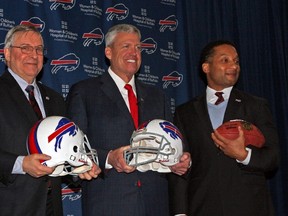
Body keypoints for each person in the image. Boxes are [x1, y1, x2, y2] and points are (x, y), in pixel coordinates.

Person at [66, 23, 191, 216]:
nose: (134, 52)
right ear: (108, 52)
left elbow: (173, 145)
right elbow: (73, 149)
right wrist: (108, 158)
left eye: (138, 48)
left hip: (155, 203)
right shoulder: (84, 92)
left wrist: (179, 161)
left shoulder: (158, 97)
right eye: (126, 46)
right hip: (109, 204)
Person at [168, 40, 280, 216]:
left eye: (236, 61)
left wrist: (243, 155)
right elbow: (178, 165)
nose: (233, 66)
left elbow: (273, 157)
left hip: (248, 206)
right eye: (225, 60)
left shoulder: (255, 106)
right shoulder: (185, 112)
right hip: (202, 206)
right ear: (206, 67)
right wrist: (180, 212)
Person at [0, 25, 100, 216]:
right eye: (25, 48)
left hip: (52, 207)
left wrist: (79, 167)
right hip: (10, 206)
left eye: (38, 49)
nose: (33, 54)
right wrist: (21, 164)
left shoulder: (54, 99)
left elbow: (63, 148)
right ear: (7, 53)